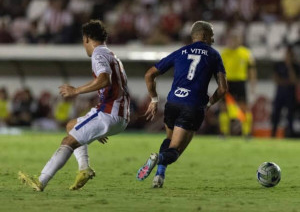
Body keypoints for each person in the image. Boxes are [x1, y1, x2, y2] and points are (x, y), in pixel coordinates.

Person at [19, 20, 130, 191]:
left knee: (68, 141)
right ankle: (84, 169)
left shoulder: (98, 55)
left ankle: (41, 181)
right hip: (120, 115)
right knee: (72, 126)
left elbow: (103, 79)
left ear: (86, 39)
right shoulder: (112, 55)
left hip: (109, 113)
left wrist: (76, 91)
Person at [136, 21, 228, 188]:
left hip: (172, 103)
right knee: (175, 151)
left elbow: (149, 74)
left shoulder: (180, 52)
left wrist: (154, 99)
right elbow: (222, 89)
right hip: (193, 105)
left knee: (169, 140)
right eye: (212, 36)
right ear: (205, 36)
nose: (213, 39)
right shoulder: (214, 55)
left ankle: (159, 176)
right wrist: (209, 103)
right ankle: (159, 158)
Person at [219, 33, 256, 137]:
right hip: (227, 82)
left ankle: (247, 133)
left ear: (240, 40)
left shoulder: (246, 53)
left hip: (240, 82)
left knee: (244, 108)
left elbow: (252, 70)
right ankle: (224, 133)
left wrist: (253, 85)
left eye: (236, 39)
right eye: (232, 39)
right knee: (224, 108)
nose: (233, 41)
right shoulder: (224, 53)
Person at [271, 46, 299, 137]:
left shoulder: (296, 66)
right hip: (280, 94)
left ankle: (290, 134)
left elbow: (294, 80)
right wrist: (287, 82)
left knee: (290, 116)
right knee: (276, 115)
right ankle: (273, 134)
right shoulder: (278, 65)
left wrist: (289, 66)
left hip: (290, 94)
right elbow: (276, 79)